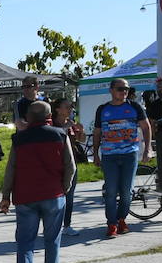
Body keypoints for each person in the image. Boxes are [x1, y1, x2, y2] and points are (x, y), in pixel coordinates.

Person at [1, 100, 74, 263]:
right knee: (52, 240)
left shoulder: (19, 139)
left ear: (29, 118)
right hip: (53, 195)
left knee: (25, 240)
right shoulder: (60, 135)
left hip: (25, 197)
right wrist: (64, 188)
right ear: (49, 116)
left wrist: (6, 196)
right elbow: (71, 166)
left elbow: (11, 169)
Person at [91, 78, 151, 239]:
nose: (124, 92)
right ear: (111, 90)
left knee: (126, 191)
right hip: (109, 156)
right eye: (120, 89)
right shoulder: (102, 109)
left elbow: (146, 127)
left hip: (129, 155)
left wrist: (148, 149)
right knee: (111, 191)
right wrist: (95, 153)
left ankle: (121, 219)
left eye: (126, 89)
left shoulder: (134, 107)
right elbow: (97, 133)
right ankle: (111, 223)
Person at [50, 97, 85, 236]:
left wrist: (80, 131)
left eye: (71, 106)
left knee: (69, 196)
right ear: (58, 109)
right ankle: (53, 224)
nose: (70, 109)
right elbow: (54, 137)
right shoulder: (52, 124)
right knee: (55, 196)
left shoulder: (71, 124)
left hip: (71, 164)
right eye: (67, 106)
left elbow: (80, 141)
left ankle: (67, 225)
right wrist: (67, 127)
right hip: (55, 164)